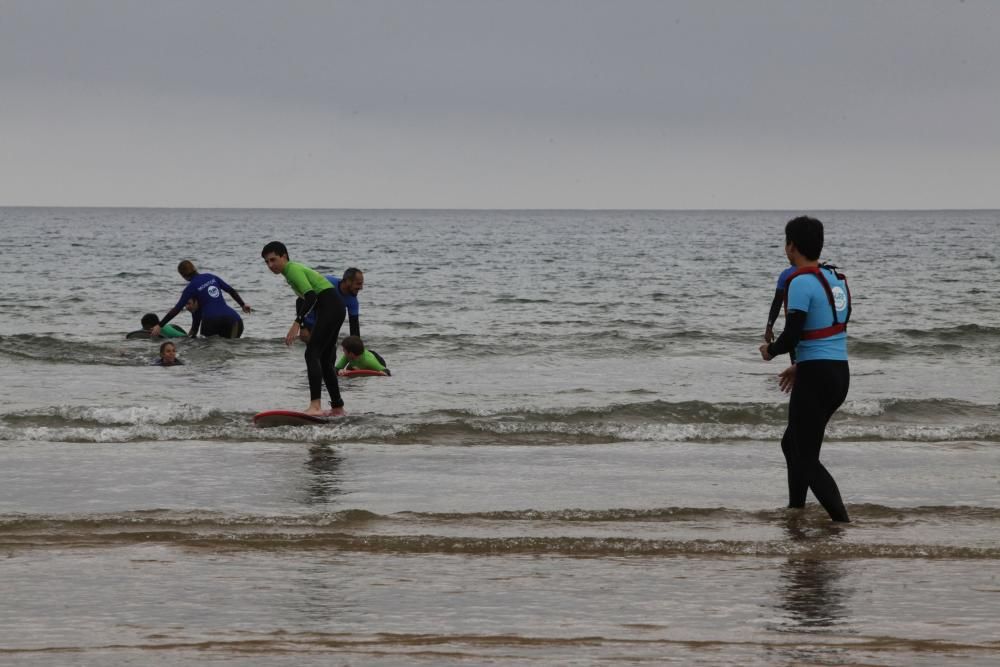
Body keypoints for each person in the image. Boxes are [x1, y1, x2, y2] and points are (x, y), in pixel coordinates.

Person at [758, 216, 852, 523]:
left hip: (817, 378)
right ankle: (796, 511)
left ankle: (842, 523)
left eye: (787, 242)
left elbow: (792, 335)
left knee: (805, 456)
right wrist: (800, 364)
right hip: (837, 373)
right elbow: (828, 328)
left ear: (791, 246)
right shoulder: (835, 279)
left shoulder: (799, 282)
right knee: (792, 444)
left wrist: (770, 351)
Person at [261, 241, 347, 416]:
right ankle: (337, 407)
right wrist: (304, 324)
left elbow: (311, 296)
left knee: (311, 354)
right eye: (267, 262)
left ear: (284, 256)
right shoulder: (290, 271)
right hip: (335, 307)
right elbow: (305, 298)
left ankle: (315, 406)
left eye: (273, 260)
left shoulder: (292, 269)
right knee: (324, 360)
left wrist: (297, 323)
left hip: (330, 307)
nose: (270, 265)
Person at [151, 260, 252, 339]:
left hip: (211, 321)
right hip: (234, 319)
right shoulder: (211, 276)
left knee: (207, 353)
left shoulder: (190, 288)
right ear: (194, 268)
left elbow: (176, 309)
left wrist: (160, 325)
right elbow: (231, 290)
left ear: (183, 275)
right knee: (232, 349)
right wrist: (242, 305)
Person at [301, 268, 364, 337]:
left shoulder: (353, 301)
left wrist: (358, 346)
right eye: (358, 284)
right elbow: (301, 299)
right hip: (308, 323)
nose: (361, 287)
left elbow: (354, 329)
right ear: (348, 281)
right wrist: (302, 327)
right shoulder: (327, 282)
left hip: (326, 328)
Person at [764, 264, 798, 344]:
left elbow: (777, 303)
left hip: (794, 330)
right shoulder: (822, 272)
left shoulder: (787, 274)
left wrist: (769, 326)